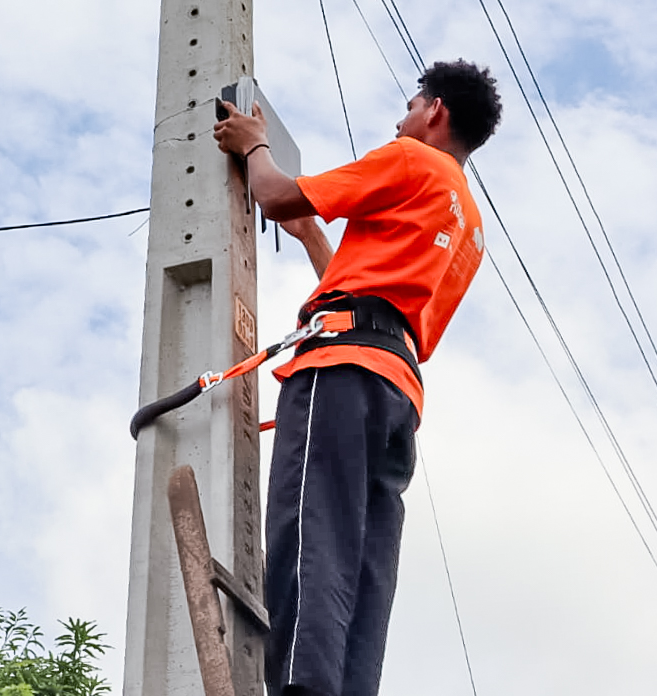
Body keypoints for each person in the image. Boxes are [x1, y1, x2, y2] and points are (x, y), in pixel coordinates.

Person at [212, 59, 503, 696]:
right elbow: (376, 300)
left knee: (311, 528)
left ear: (435, 112)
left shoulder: (409, 157)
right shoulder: (470, 225)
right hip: (395, 388)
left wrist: (253, 145)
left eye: (410, 103)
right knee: (367, 560)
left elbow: (276, 192)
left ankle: (302, 685)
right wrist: (314, 237)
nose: (401, 118)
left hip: (339, 372)